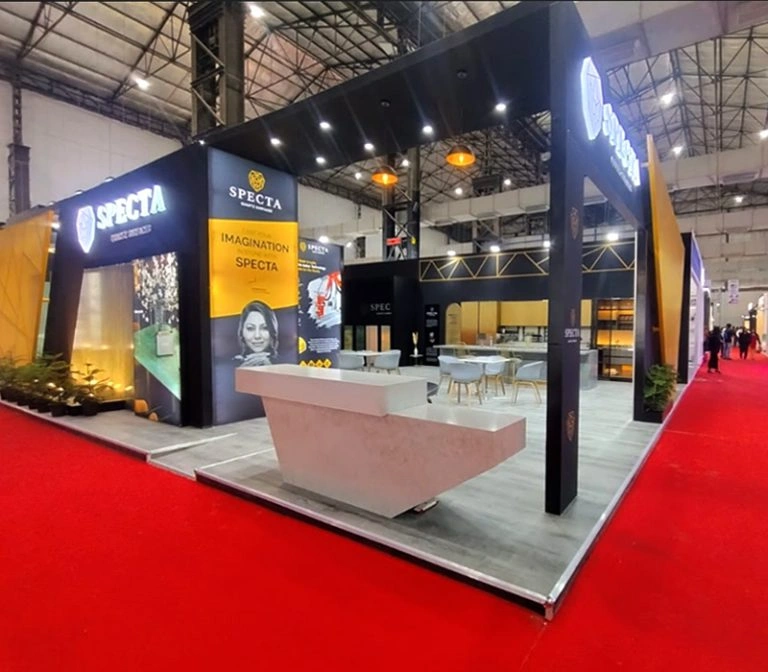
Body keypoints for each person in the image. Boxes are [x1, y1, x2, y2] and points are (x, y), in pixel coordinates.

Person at [235, 300, 279, 367]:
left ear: (272, 330)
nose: (257, 336)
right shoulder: (229, 365)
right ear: (242, 332)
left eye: (264, 328)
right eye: (250, 328)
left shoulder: (285, 364)